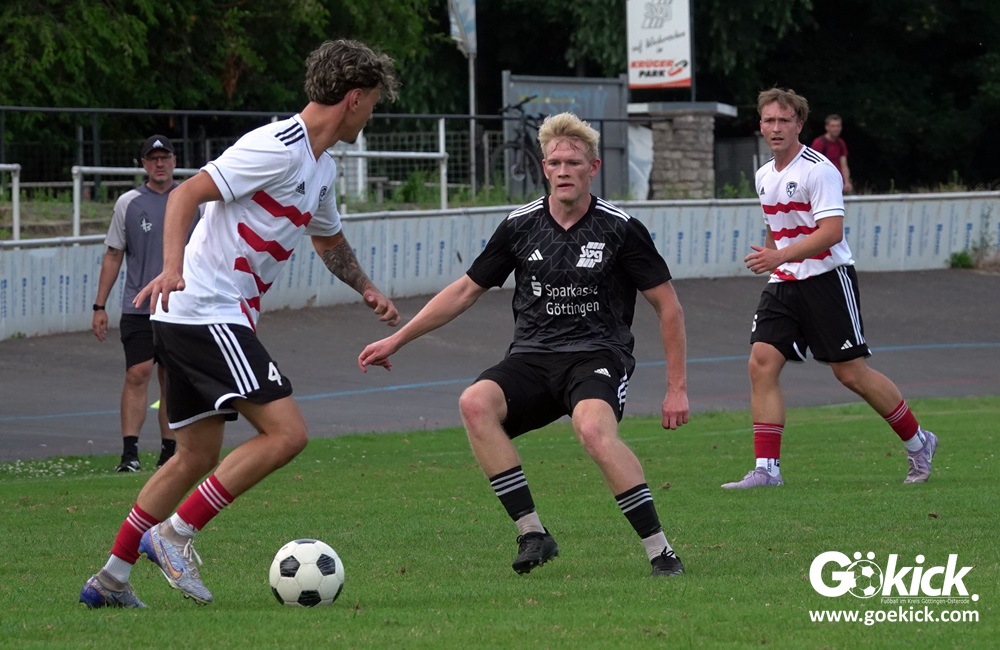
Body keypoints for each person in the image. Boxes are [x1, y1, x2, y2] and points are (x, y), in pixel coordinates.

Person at [80, 39, 401, 609]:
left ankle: (109, 580)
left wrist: (367, 288)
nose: (372, 114)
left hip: (193, 316)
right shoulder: (276, 146)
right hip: (207, 310)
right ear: (353, 98)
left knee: (195, 456)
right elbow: (186, 193)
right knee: (287, 434)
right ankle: (174, 534)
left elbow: (327, 238)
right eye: (373, 102)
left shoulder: (321, 167)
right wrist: (173, 267)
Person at [359, 112, 690, 577]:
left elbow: (668, 307)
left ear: (593, 168)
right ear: (543, 167)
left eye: (573, 162)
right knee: (474, 403)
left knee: (594, 431)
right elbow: (465, 290)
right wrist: (398, 339)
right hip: (532, 358)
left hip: (597, 356)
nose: (563, 170)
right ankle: (532, 533)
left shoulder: (620, 228)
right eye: (555, 162)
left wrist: (676, 388)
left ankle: (661, 552)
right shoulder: (520, 225)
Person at [722, 88, 937, 490]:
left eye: (784, 120)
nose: (776, 127)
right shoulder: (764, 175)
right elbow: (775, 226)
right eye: (769, 120)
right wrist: (772, 260)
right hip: (784, 281)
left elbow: (831, 232)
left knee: (850, 373)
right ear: (760, 125)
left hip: (827, 279)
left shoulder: (819, 170)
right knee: (761, 362)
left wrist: (779, 256)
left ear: (799, 125)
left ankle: (919, 442)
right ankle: (767, 470)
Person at [92, 135, 184, 473]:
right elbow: (113, 254)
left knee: (172, 378)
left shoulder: (190, 199)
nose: (159, 164)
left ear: (174, 161)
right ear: (144, 164)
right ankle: (129, 454)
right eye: (152, 158)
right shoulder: (128, 203)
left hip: (180, 305)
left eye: (165, 157)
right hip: (139, 305)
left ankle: (169, 453)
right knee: (137, 373)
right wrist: (99, 306)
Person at [810, 114, 853, 194]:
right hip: (823, 182)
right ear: (827, 127)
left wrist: (847, 182)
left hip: (837, 181)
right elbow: (811, 164)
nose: (836, 129)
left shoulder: (840, 143)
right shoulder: (819, 143)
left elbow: (844, 164)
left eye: (838, 126)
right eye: (833, 126)